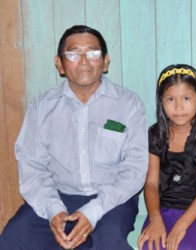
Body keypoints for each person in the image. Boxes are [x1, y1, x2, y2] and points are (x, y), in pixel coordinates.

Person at [0, 25, 148, 250]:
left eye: (93, 52)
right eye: (73, 53)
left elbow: (135, 169)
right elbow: (32, 166)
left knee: (109, 242)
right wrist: (54, 210)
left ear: (105, 61)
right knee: (14, 237)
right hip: (58, 195)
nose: (84, 60)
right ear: (59, 64)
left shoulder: (129, 104)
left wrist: (94, 210)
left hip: (112, 199)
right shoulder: (42, 107)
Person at [137, 64, 196, 250]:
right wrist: (155, 218)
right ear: (161, 101)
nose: (178, 107)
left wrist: (182, 225)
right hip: (162, 209)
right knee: (149, 246)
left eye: (186, 98)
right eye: (170, 99)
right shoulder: (154, 134)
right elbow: (151, 183)